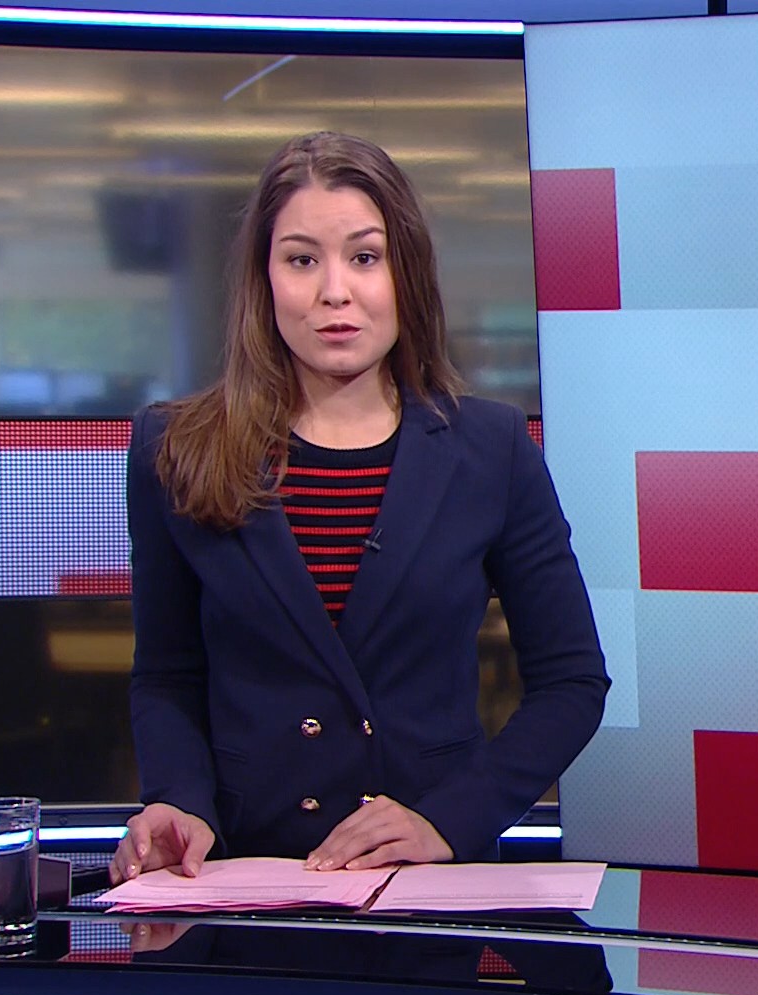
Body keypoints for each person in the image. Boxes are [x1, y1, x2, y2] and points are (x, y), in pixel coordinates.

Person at [109, 132, 607, 885]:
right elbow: (167, 675)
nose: (334, 292)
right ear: (264, 279)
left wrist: (451, 817)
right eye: (302, 260)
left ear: (405, 272)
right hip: (244, 877)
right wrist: (179, 801)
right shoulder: (175, 447)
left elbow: (572, 682)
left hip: (429, 886)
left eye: (365, 257)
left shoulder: (492, 449)